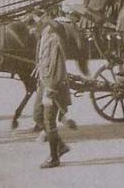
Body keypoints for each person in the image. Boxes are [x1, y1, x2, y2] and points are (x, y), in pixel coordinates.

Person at [34, 17, 72, 169]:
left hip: (53, 86)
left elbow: (58, 68)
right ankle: (61, 146)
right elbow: (42, 62)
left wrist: (50, 90)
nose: (31, 30)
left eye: (34, 26)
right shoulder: (43, 38)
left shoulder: (53, 40)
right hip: (44, 83)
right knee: (37, 115)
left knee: (49, 120)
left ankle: (54, 158)